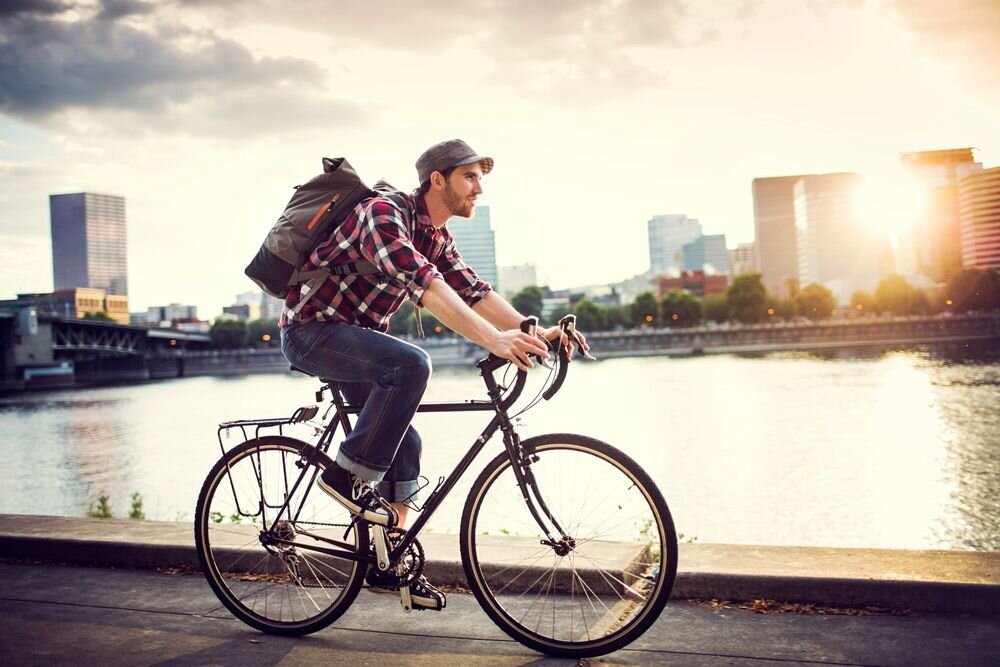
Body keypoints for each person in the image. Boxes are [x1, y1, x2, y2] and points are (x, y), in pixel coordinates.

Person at [280, 139, 588, 610]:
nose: (479, 188)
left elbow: (473, 291)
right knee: (411, 364)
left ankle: (385, 566)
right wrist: (493, 341)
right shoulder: (383, 214)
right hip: (312, 334)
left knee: (406, 445)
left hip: (355, 342)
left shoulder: (437, 237)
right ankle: (344, 480)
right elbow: (426, 286)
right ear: (437, 180)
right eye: (470, 176)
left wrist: (535, 332)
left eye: (481, 178)